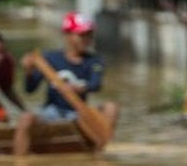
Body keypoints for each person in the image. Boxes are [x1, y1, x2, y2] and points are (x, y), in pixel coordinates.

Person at [13, 11, 120, 154]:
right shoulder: (49, 58)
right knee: (25, 119)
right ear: (68, 36)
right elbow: (30, 89)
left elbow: (95, 85)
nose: (86, 39)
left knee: (111, 107)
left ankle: (98, 151)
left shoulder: (94, 61)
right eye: (81, 35)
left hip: (78, 114)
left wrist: (77, 89)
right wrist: (28, 71)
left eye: (89, 35)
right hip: (51, 112)